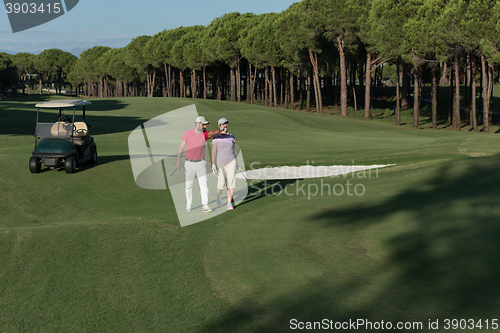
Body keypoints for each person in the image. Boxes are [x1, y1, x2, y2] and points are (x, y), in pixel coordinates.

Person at [176, 116, 219, 213]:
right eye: (203, 124)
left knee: (203, 184)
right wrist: (178, 160)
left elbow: (212, 133)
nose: (205, 126)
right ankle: (189, 204)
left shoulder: (204, 134)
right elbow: (182, 146)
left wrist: (220, 129)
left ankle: (205, 205)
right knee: (189, 185)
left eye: (205, 124)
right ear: (197, 124)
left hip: (201, 163)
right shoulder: (188, 133)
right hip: (189, 163)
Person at [211, 118, 240, 210]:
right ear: (219, 125)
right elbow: (213, 152)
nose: (226, 125)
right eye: (223, 124)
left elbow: (234, 150)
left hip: (231, 161)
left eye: (226, 124)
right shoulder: (216, 137)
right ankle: (218, 197)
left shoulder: (232, 136)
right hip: (220, 162)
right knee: (221, 183)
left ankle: (229, 203)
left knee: (231, 182)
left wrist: (237, 164)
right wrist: (213, 164)